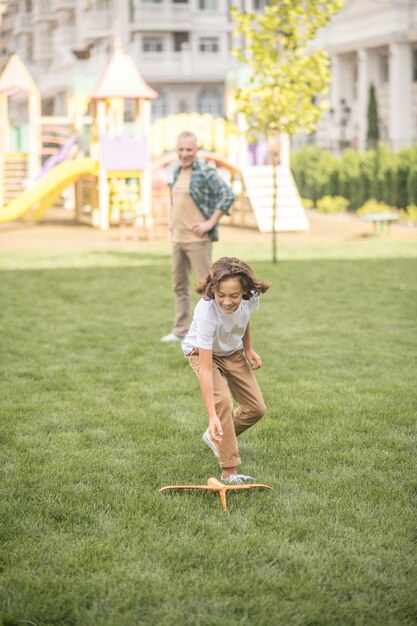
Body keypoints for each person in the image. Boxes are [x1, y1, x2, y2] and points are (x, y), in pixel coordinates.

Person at [181, 257, 270, 485]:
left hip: (233, 350)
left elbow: (244, 319)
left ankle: (216, 438)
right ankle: (229, 472)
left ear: (246, 292)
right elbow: (207, 368)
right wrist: (212, 416)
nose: (227, 302)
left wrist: (248, 348)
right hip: (202, 353)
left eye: (234, 296)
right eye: (221, 295)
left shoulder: (251, 298)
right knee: (223, 403)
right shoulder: (207, 311)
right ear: (212, 291)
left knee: (256, 409)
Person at [160, 131, 235, 343]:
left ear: (196, 150)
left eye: (189, 150)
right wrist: (172, 220)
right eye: (181, 149)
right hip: (177, 239)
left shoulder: (204, 171)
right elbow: (177, 200)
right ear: (177, 150)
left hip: (197, 241)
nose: (185, 154)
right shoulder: (175, 172)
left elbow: (227, 194)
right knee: (179, 286)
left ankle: (214, 333)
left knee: (208, 289)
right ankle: (180, 330)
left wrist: (210, 222)